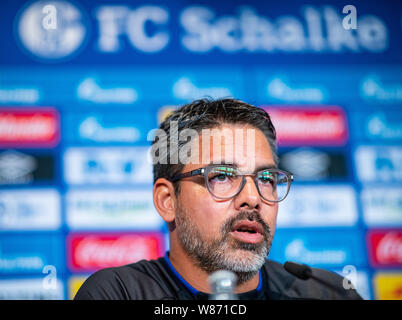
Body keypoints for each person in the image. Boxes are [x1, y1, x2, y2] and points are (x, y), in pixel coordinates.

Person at [74, 98, 362, 300]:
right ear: (167, 200)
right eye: (222, 176)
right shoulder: (119, 292)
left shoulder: (328, 292)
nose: (252, 198)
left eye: (266, 179)